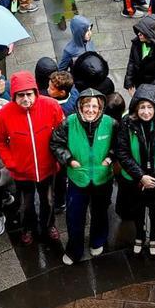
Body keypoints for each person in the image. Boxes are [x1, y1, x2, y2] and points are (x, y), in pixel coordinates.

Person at [0, 71, 65, 245]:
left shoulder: (51, 106)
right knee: (26, 204)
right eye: (21, 95)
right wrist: (11, 162)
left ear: (35, 92)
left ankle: (48, 226)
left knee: (48, 201)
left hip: (47, 168)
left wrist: (58, 158)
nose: (26, 98)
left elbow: (62, 133)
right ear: (14, 95)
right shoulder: (4, 114)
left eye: (29, 94)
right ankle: (28, 229)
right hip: (22, 171)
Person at [50, 88, 115, 265]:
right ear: (80, 106)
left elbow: (119, 144)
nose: (91, 110)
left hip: (103, 178)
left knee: (100, 212)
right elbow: (56, 143)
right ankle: (74, 249)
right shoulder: (69, 123)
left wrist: (109, 158)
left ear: (101, 108)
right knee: (74, 215)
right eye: (87, 105)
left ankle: (98, 240)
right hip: (78, 179)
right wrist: (69, 160)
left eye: (95, 106)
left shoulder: (111, 123)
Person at [114, 84, 155, 256]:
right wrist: (141, 176)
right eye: (142, 107)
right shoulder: (127, 123)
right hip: (135, 178)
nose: (146, 111)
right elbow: (122, 151)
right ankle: (140, 234)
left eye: (149, 107)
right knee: (137, 208)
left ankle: (154, 235)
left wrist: (154, 178)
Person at [123, 14, 155, 111]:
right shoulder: (137, 43)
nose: (139, 34)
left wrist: (142, 94)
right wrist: (129, 82)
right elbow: (132, 62)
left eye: (143, 32)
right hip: (143, 89)